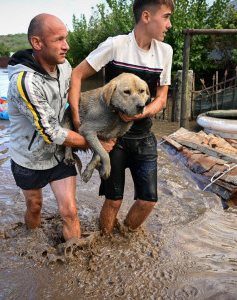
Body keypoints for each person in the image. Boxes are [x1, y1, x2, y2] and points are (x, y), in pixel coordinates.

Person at [68, 0, 174, 236]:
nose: (169, 24)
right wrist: (77, 122)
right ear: (146, 16)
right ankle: (105, 242)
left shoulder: (165, 52)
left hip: (144, 136)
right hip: (111, 138)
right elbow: (77, 75)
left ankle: (124, 236)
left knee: (148, 201)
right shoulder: (115, 45)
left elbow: (161, 98)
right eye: (166, 17)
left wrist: (137, 114)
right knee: (113, 201)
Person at [7, 14, 115, 241]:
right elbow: (50, 132)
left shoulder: (64, 66)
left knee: (69, 210)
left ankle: (73, 263)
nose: (66, 46)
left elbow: (75, 100)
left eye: (66, 38)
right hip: (29, 158)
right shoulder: (25, 83)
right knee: (35, 206)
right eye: (59, 40)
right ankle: (32, 245)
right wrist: (96, 143)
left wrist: (105, 120)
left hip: (59, 155)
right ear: (37, 43)